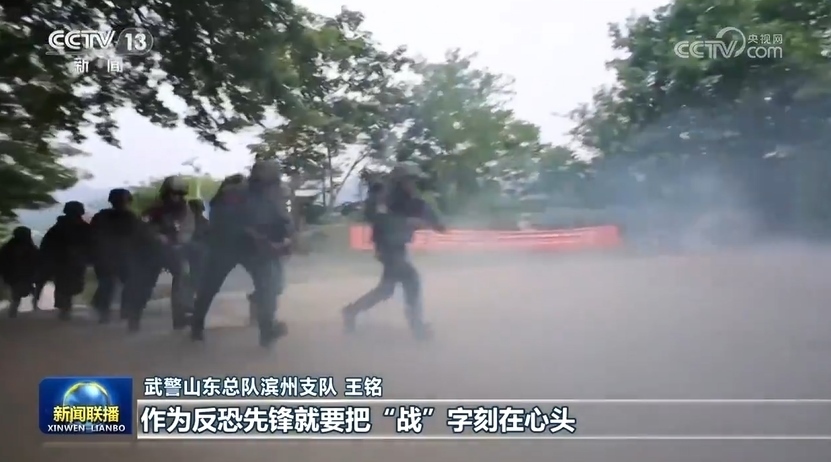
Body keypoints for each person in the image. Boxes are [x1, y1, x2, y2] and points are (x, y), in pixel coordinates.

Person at [190, 162, 294, 347]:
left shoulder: (273, 194)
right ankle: (196, 326)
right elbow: (221, 219)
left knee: (268, 288)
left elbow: (284, 220)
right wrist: (251, 234)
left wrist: (285, 239)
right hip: (225, 247)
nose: (271, 185)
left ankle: (267, 331)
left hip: (256, 250)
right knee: (209, 287)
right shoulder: (234, 193)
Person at [341, 162, 446, 340]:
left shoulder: (412, 200)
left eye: (413, 180)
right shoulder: (384, 199)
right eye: (409, 180)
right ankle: (417, 327)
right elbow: (378, 219)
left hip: (398, 248)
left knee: (386, 289)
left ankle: (351, 311)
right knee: (411, 280)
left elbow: (433, 219)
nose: (412, 184)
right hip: (387, 248)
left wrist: (433, 221)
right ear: (398, 182)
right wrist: (407, 222)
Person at [125, 175, 196, 332]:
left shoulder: (185, 210)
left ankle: (180, 316)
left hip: (173, 250)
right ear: (166, 193)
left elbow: (188, 229)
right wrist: (156, 236)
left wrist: (180, 241)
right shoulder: (153, 210)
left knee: (183, 278)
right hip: (150, 251)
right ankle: (134, 316)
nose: (176, 197)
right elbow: (142, 227)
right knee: (144, 284)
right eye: (173, 193)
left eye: (179, 194)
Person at [89, 188, 143, 323]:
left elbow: (91, 236)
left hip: (107, 256)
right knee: (124, 283)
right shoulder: (131, 217)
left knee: (108, 284)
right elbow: (140, 237)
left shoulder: (101, 216)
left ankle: (106, 312)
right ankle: (123, 311)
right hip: (121, 256)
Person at [39, 202, 94, 320]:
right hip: (67, 262)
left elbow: (46, 246)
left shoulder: (58, 228)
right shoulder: (82, 228)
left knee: (66, 285)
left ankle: (64, 307)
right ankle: (65, 307)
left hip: (70, 262)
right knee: (66, 285)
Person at [0, 226, 40, 318]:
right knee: (23, 291)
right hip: (24, 276)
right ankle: (31, 304)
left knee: (18, 293)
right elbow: (37, 259)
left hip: (14, 276)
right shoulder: (30, 247)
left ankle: (14, 309)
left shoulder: (8, 247)